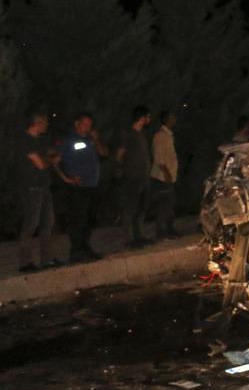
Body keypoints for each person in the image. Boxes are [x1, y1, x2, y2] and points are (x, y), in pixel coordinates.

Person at [57, 111, 109, 261]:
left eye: (89, 125)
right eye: (85, 124)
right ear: (76, 124)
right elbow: (54, 159)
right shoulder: (68, 140)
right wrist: (66, 178)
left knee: (89, 220)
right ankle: (76, 252)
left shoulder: (91, 140)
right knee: (78, 220)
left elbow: (105, 153)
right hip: (77, 189)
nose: (87, 128)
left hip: (92, 186)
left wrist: (97, 140)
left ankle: (86, 249)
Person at [17, 111, 60, 272]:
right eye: (45, 122)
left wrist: (51, 158)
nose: (47, 125)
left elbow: (50, 155)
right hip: (32, 188)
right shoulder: (25, 141)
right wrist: (51, 160)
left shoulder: (38, 141)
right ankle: (24, 262)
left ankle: (46, 259)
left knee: (47, 224)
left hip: (43, 187)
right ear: (37, 123)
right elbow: (41, 164)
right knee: (31, 224)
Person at [116, 105, 152, 247]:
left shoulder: (142, 134)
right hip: (132, 177)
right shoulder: (128, 134)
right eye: (148, 117)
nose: (149, 120)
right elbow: (120, 154)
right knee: (130, 207)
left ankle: (139, 235)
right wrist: (122, 169)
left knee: (142, 208)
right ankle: (128, 238)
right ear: (142, 118)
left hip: (143, 177)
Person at [150, 110, 180, 240]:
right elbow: (158, 157)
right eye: (173, 117)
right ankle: (161, 231)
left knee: (169, 204)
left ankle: (169, 229)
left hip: (169, 176)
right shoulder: (160, 136)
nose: (175, 119)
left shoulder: (168, 135)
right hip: (162, 177)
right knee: (163, 205)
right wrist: (166, 173)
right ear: (167, 119)